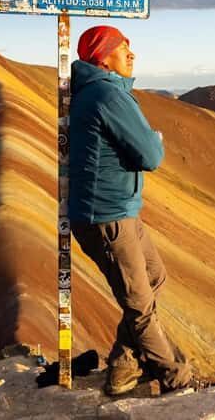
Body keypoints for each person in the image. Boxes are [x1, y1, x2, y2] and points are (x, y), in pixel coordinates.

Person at [68, 25, 193, 396]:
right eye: (123, 48)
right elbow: (150, 155)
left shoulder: (96, 92)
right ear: (103, 57)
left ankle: (124, 365)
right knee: (139, 303)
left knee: (154, 276)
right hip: (106, 215)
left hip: (120, 210)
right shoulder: (107, 94)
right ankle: (175, 377)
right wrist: (155, 139)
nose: (132, 54)